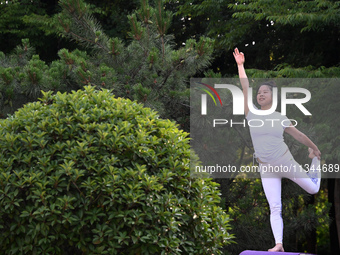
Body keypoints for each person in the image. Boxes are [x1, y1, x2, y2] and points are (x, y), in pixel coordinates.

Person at [233, 48, 321, 252]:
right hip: (267, 169)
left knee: (314, 189)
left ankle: (315, 164)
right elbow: (245, 88)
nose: (260, 94)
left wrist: (314, 149)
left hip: (286, 163)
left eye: (265, 92)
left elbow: (298, 135)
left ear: (273, 96)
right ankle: (279, 244)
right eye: (259, 92)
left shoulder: (280, 117)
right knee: (274, 207)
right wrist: (240, 66)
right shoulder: (251, 114)